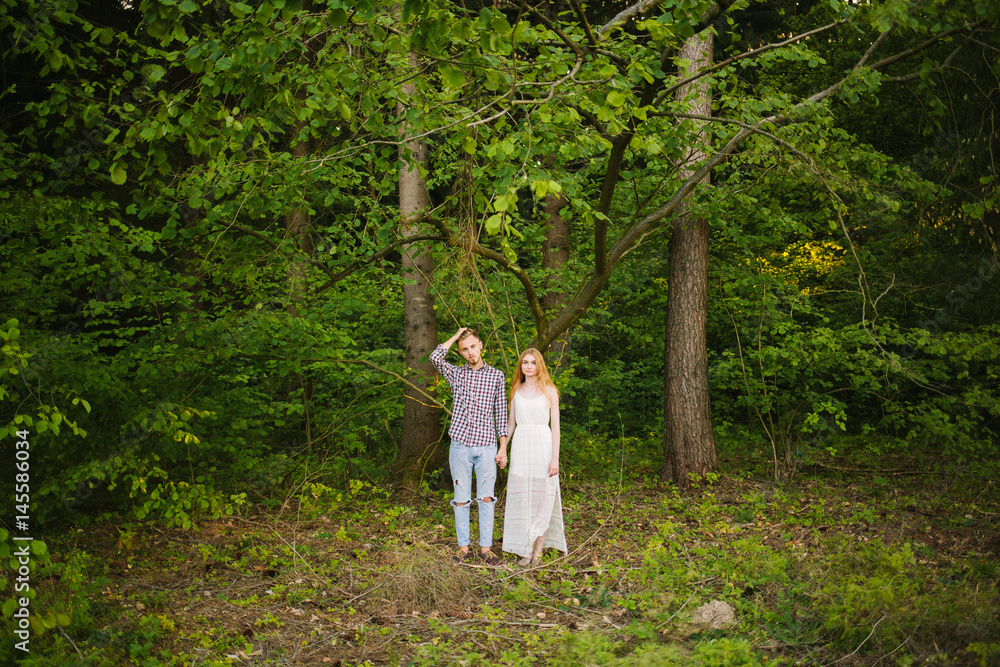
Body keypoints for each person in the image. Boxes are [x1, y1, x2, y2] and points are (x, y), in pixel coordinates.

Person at [430, 327, 508, 565]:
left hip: (486, 446)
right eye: (465, 349)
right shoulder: (456, 374)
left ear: (481, 345)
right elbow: (435, 358)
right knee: (461, 498)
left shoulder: (496, 376)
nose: (470, 352)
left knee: (486, 498)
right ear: (461, 352)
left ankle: (486, 549)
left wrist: (503, 448)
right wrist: (455, 337)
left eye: (473, 346)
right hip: (460, 446)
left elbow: (501, 414)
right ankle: (463, 548)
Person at [498, 348, 567, 567]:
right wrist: (502, 449)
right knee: (524, 498)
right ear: (521, 366)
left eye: (533, 362)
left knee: (542, 498)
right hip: (521, 446)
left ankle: (538, 551)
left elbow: (555, 427)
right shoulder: (516, 390)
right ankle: (525, 549)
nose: (529, 366)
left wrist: (554, 458)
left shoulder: (550, 391)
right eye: (525, 362)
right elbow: (511, 425)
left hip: (543, 446)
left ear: (540, 365)